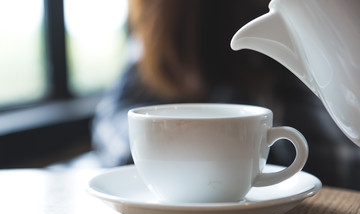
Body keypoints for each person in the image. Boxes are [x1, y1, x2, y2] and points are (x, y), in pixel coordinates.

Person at [92, 0, 360, 190]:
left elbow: (339, 163)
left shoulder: (296, 35)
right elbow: (115, 126)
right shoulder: (161, 40)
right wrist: (213, 147)